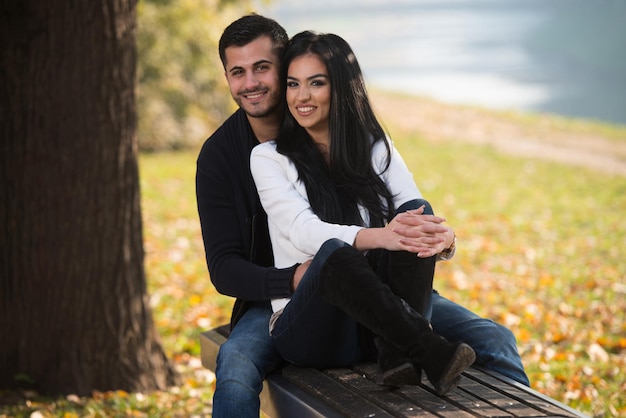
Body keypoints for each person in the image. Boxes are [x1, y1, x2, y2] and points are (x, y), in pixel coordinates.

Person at [196, 13, 528, 418]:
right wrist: (294, 276)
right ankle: (418, 346)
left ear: (286, 66)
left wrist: (443, 238)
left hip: (378, 284)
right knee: (236, 363)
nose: (251, 83)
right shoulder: (233, 157)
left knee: (493, 338)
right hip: (288, 300)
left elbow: (412, 209)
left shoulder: (353, 138)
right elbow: (229, 267)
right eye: (237, 72)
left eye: (263, 68)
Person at [250, 30, 480, 395]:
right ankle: (428, 349)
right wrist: (380, 236)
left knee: (416, 212)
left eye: (316, 83)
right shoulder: (269, 158)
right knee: (333, 253)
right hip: (310, 333)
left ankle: (397, 356)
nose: (301, 96)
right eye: (293, 84)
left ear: (341, 88)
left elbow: (415, 211)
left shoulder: (375, 147)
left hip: (372, 329)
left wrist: (446, 240)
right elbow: (302, 230)